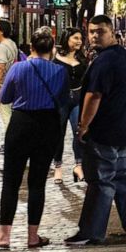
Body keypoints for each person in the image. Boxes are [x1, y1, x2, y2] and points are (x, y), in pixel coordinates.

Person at [0, 29, 68, 251]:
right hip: (48, 126)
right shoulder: (60, 72)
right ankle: (32, 236)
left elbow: (4, 97)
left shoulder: (19, 68)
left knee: (11, 181)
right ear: (53, 48)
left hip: (20, 125)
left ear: (31, 47)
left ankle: (3, 237)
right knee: (37, 183)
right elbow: (64, 100)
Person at [65, 15, 126, 246]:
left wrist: (83, 126)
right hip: (125, 129)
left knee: (101, 181)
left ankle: (91, 231)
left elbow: (93, 96)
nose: (95, 36)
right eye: (92, 32)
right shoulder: (122, 56)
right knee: (119, 177)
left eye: (100, 31)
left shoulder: (104, 61)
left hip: (105, 131)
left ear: (112, 33)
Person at [52, 27, 87, 184]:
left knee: (78, 132)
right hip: (61, 99)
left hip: (78, 98)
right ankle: (58, 167)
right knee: (58, 133)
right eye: (75, 38)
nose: (79, 41)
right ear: (67, 39)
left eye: (80, 38)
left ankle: (78, 166)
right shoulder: (56, 57)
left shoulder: (83, 59)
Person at [0, 19, 18, 155]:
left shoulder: (3, 46)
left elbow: (0, 67)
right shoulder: (11, 44)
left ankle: (10, 144)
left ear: (1, 30)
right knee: (10, 115)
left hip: (4, 85)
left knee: (6, 115)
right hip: (12, 83)